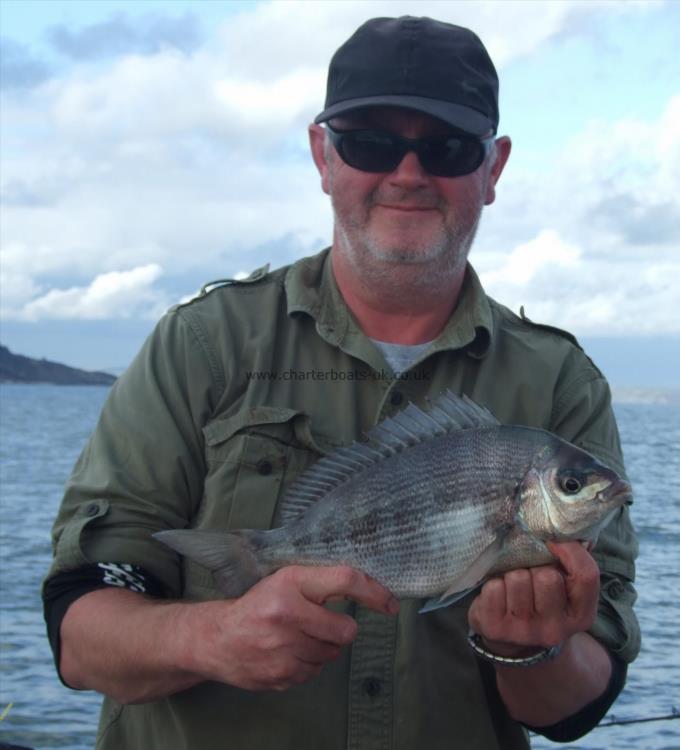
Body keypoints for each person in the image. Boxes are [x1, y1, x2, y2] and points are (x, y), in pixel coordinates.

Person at [43, 16, 639, 750]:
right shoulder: (202, 346)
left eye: (448, 147)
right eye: (372, 143)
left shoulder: (562, 385)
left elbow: (577, 703)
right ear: (323, 155)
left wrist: (532, 648)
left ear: (494, 168)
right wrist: (211, 635)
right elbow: (79, 633)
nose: (409, 174)